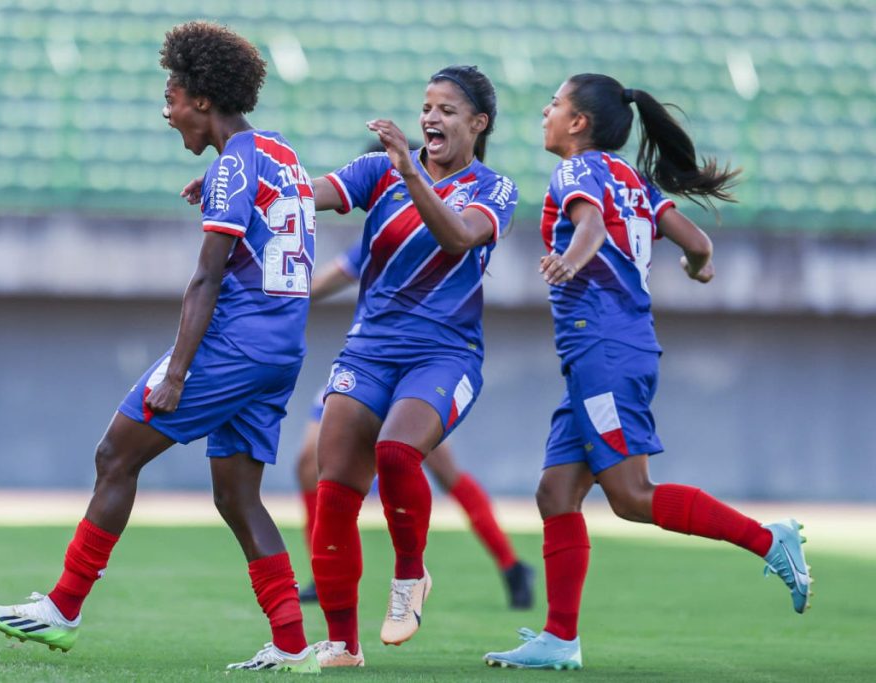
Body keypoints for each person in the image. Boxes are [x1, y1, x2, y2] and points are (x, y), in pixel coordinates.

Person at [0, 22, 321, 674]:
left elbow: (206, 276)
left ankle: (65, 605)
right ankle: (290, 642)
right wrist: (221, 183)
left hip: (233, 347)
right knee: (238, 496)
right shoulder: (280, 154)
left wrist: (179, 371)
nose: (166, 112)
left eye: (170, 96)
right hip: (281, 350)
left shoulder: (234, 165)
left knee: (115, 452)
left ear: (199, 96)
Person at [484, 73, 812, 671]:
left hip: (603, 350)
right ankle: (560, 639)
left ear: (578, 123)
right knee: (556, 492)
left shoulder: (578, 170)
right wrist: (695, 266)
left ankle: (769, 540)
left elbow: (590, 227)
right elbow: (698, 240)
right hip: (611, 351)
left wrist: (569, 261)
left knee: (631, 497)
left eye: (554, 104)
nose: (545, 112)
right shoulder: (631, 179)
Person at [304, 65, 519, 668]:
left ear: (478, 124)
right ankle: (343, 645)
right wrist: (245, 184)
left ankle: (410, 578)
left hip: (445, 355)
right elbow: (311, 191)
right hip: (369, 350)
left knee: (397, 454)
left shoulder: (494, 188)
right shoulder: (380, 171)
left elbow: (457, 238)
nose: (431, 118)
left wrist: (407, 170)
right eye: (427, 107)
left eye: (447, 110)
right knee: (334, 489)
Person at [295, 244, 535, 612]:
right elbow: (338, 273)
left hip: (418, 367)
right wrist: (281, 298)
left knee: (441, 470)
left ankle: (511, 565)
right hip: (367, 361)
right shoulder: (384, 227)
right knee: (306, 464)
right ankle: (322, 568)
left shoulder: (443, 231)